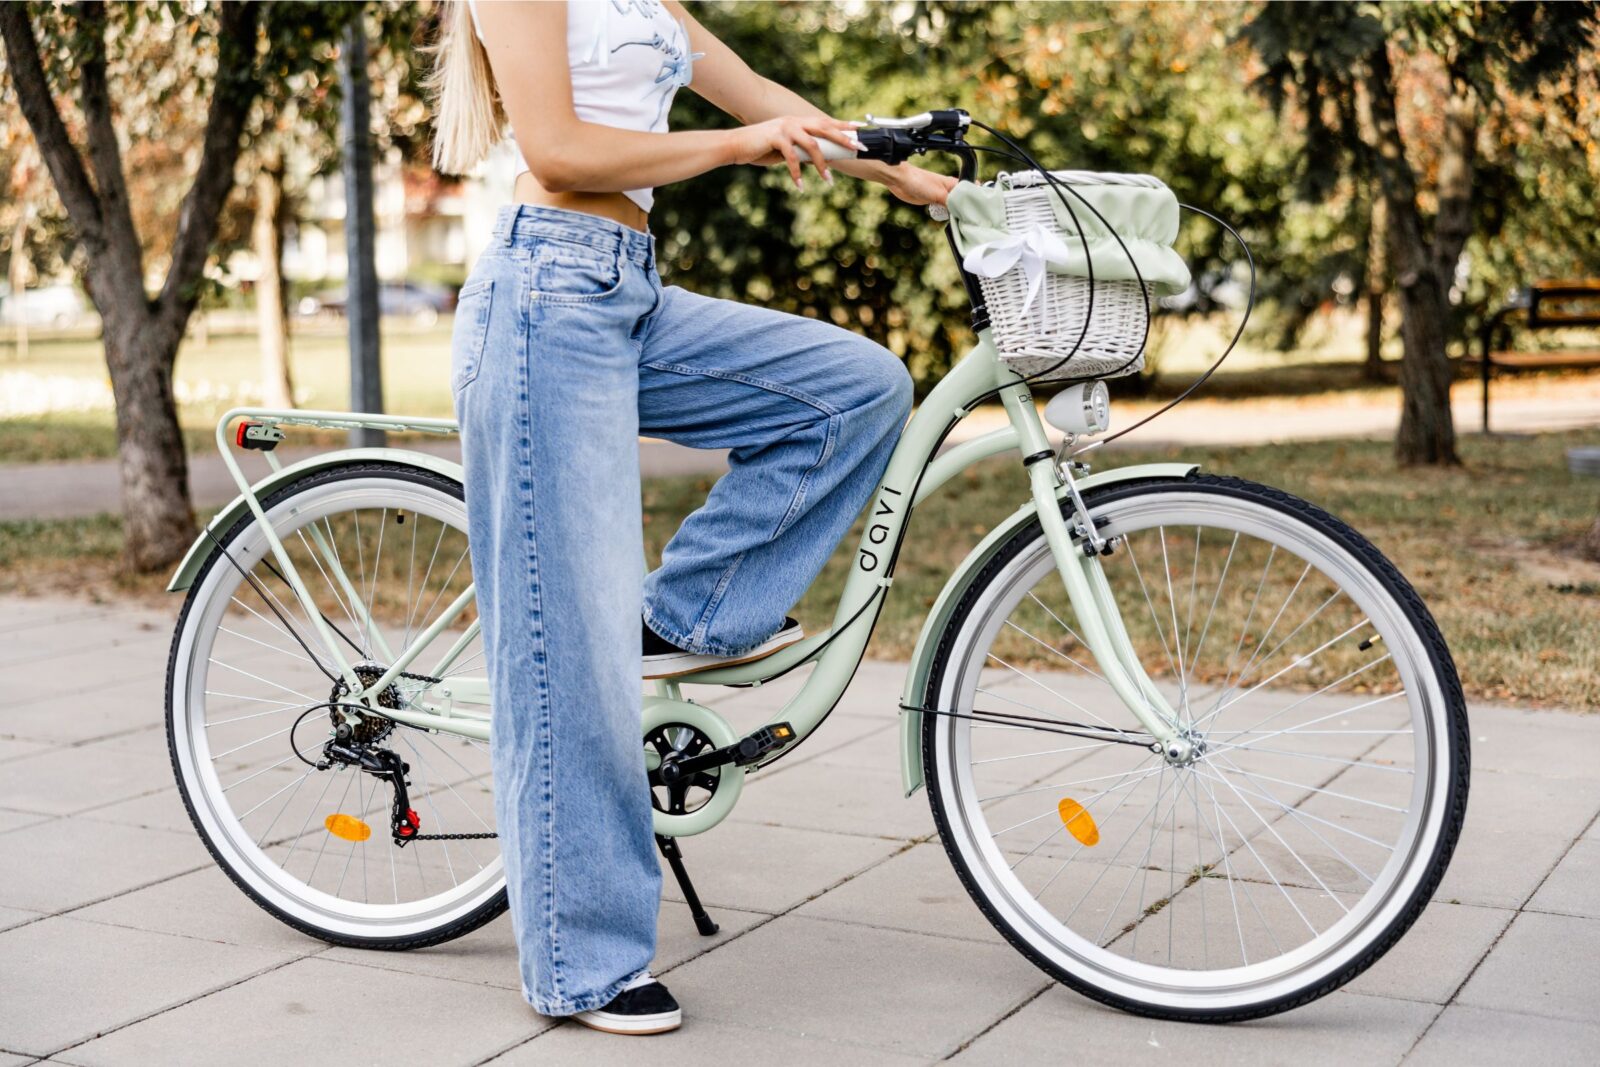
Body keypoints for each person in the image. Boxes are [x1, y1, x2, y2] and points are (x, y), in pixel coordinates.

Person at [427, 0, 954, 1035]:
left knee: (855, 388)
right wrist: (739, 146)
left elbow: (773, 106)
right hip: (546, 292)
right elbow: (561, 148)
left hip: (629, 288)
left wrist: (913, 176)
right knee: (571, 661)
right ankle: (581, 961)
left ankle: (686, 615)